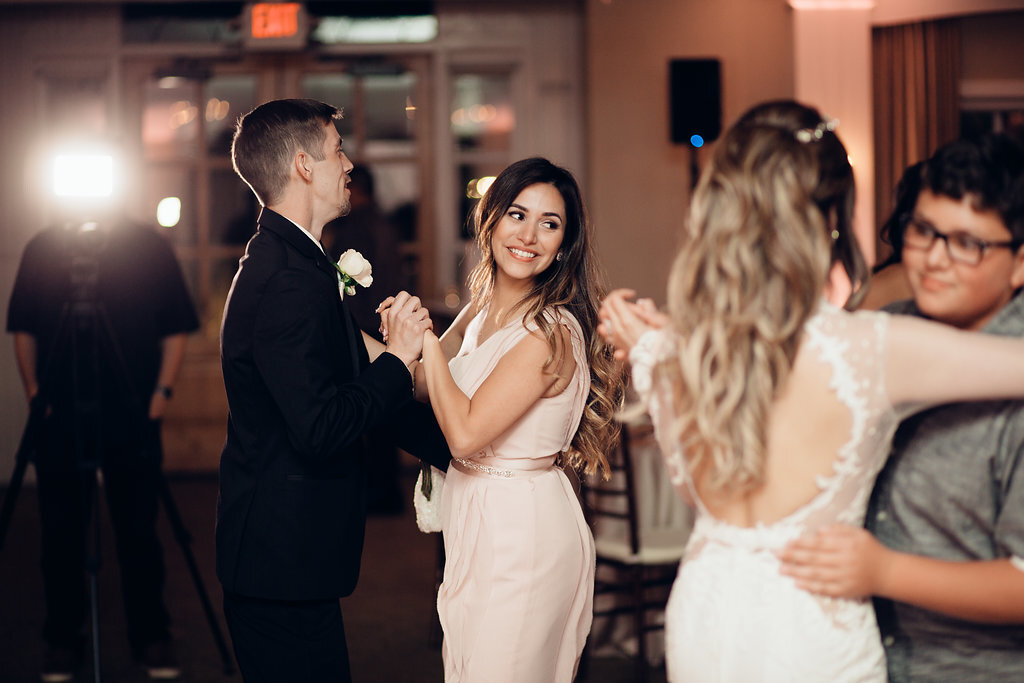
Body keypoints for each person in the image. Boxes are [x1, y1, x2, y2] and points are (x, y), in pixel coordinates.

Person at [597, 100, 1024, 682]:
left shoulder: (678, 354)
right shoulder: (876, 347)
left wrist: (658, 342)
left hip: (704, 614)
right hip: (811, 633)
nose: (934, 257)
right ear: (831, 217)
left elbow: (700, 480)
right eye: (923, 231)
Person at [216, 98, 450, 683]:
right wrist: (397, 356)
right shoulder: (287, 281)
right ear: (303, 165)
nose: (349, 165)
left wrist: (462, 446)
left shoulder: (301, 263)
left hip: (291, 558)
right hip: (278, 561)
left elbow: (356, 376)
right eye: (337, 150)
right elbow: (322, 427)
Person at [777, 133, 1024, 681]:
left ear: (1019, 262)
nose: (935, 259)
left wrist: (884, 572)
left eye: (967, 243)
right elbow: (794, 353)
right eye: (924, 231)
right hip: (862, 655)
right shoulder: (885, 331)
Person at [392, 157, 621, 681]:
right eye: (518, 215)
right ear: (490, 221)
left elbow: (466, 431)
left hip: (526, 530)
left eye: (550, 223)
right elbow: (430, 382)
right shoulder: (483, 305)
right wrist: (336, 329)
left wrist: (424, 338)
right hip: (478, 515)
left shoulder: (550, 331)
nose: (530, 235)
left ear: (564, 244)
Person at [7, 218, 200, 681]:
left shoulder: (146, 246)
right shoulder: (43, 246)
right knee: (59, 532)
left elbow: (175, 326)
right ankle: (61, 639)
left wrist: (161, 395)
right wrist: (34, 391)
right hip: (59, 413)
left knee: (139, 530)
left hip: (132, 413)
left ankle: (152, 635)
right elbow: (24, 328)